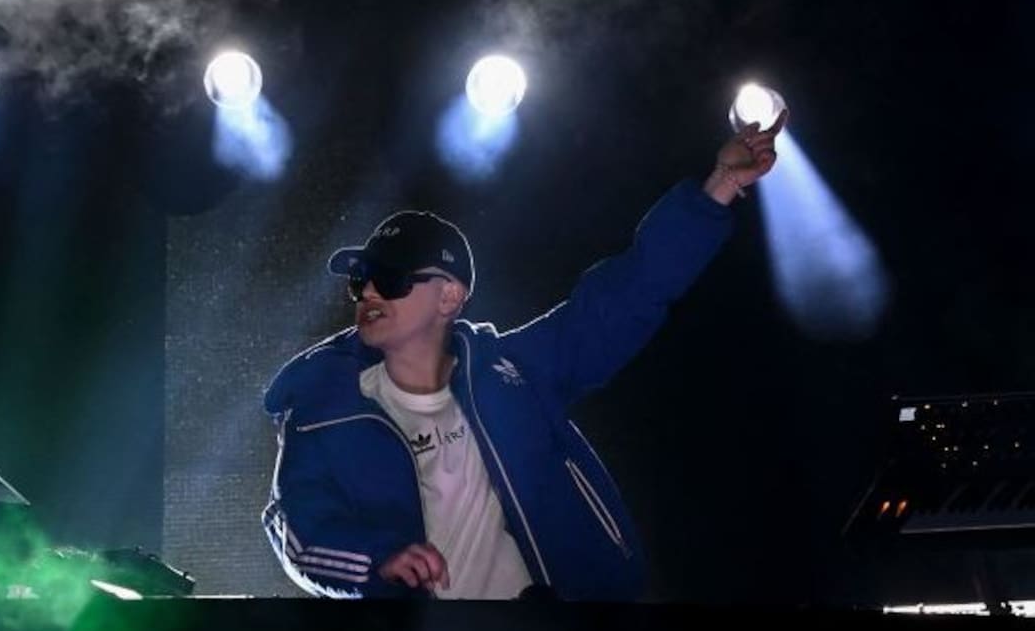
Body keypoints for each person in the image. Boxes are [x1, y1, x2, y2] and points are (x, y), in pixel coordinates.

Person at [261, 112, 788, 600]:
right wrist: (377, 561)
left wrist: (721, 184)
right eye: (361, 281)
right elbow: (297, 528)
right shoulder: (322, 406)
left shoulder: (515, 370)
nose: (370, 293)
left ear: (449, 297)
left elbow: (632, 289)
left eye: (392, 279)